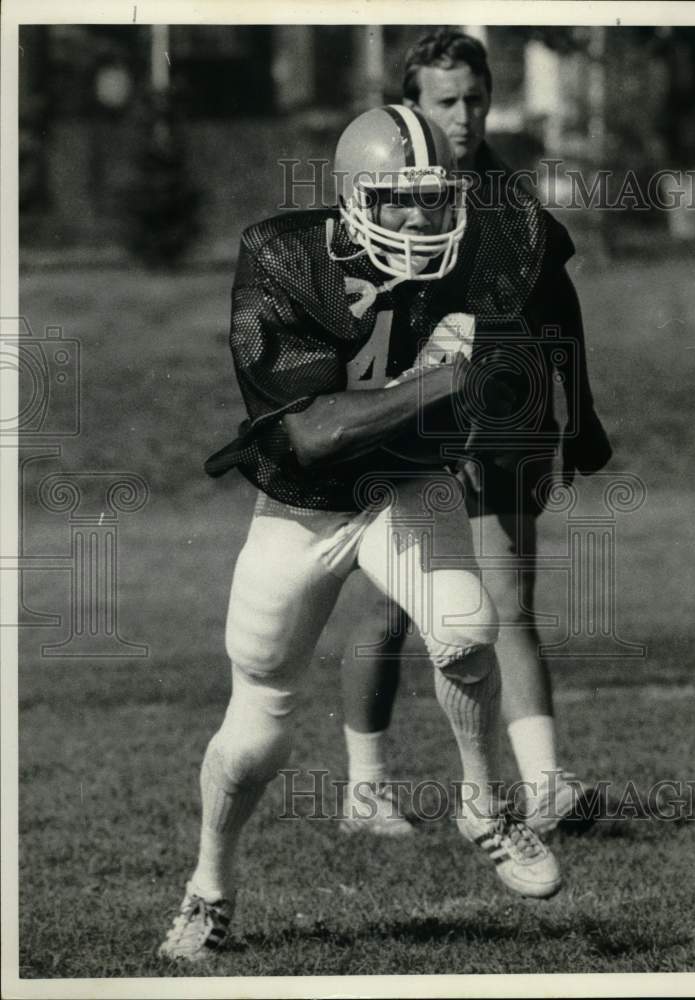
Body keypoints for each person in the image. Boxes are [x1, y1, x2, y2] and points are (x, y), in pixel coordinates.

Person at [159, 104, 564, 964]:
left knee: (464, 629)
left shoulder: (487, 238)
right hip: (302, 501)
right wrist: (449, 378)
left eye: (436, 197)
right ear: (352, 200)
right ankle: (209, 886)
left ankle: (483, 808)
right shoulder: (284, 255)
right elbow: (311, 431)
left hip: (405, 484)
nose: (422, 218)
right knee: (260, 713)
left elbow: (544, 255)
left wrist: (533, 374)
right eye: (396, 200)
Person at [338, 29, 612, 837]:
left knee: (507, 603)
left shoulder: (507, 196)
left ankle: (544, 786)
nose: (463, 117)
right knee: (392, 611)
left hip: (503, 419)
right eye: (443, 101)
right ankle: (364, 789)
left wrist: (581, 410)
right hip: (410, 420)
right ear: (410, 105)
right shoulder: (381, 195)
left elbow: (558, 306)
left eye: (475, 99)